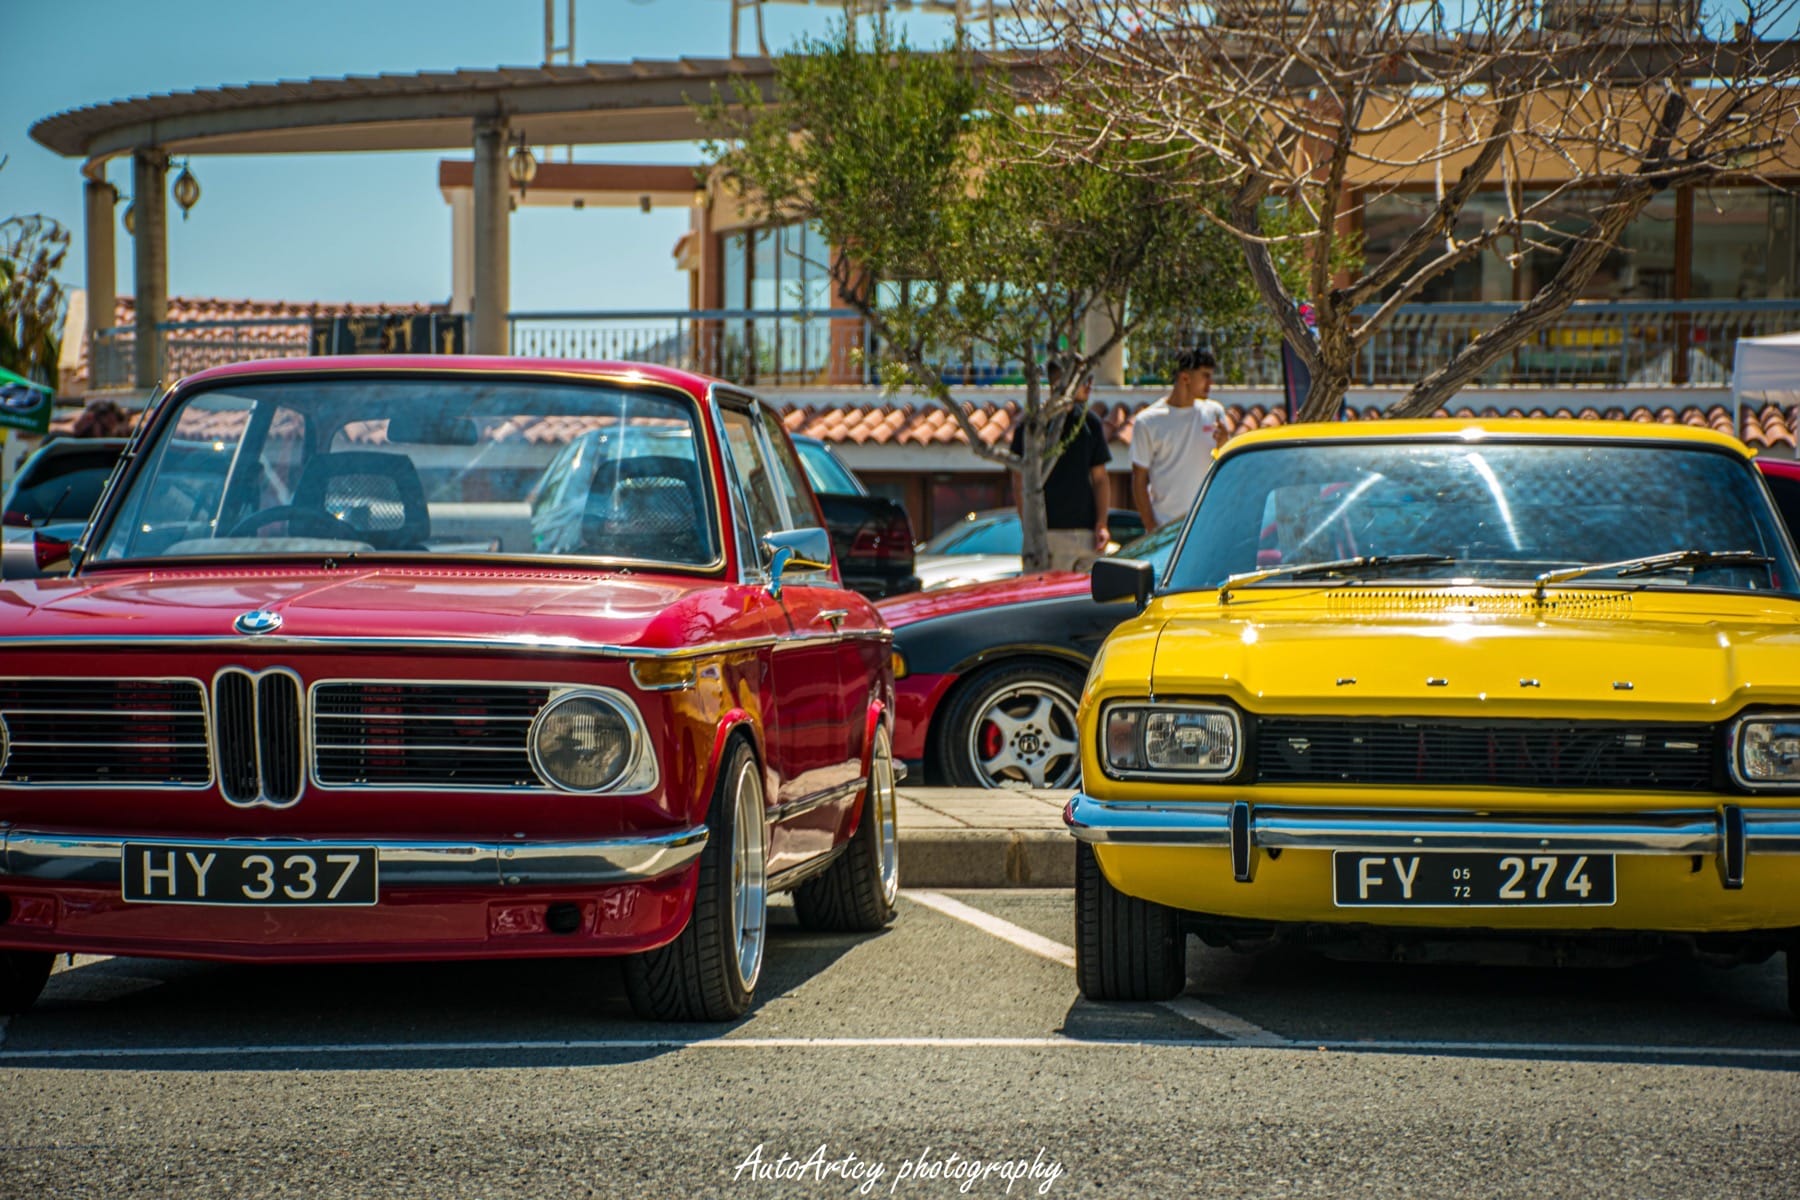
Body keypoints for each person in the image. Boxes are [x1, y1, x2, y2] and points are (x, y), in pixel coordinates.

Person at [1010, 357, 1112, 573]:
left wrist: (1102, 523)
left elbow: (1100, 479)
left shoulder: (1091, 422)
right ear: (1062, 383)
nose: (1090, 384)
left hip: (1087, 536)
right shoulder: (1031, 424)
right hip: (1048, 535)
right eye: (1084, 379)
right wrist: (1030, 528)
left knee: (1091, 594)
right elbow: (1019, 480)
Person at [1130, 347, 1228, 531]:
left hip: (1207, 526)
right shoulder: (1148, 421)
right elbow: (1139, 479)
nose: (1211, 382)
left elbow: (1225, 467)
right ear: (1185, 378)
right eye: (1205, 376)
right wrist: (1151, 527)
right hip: (1166, 529)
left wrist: (1225, 443)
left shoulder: (1215, 412)